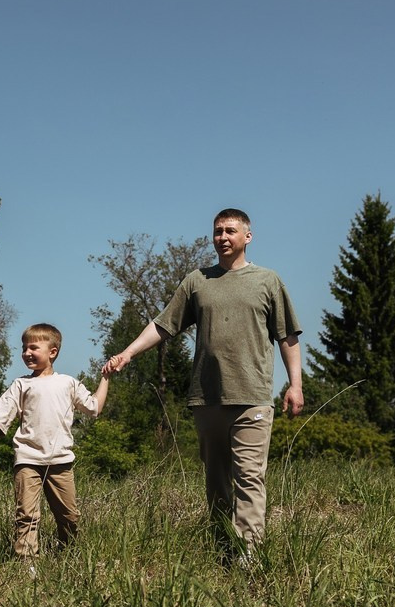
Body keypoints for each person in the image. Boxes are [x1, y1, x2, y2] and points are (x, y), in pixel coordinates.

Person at [104, 209, 303, 558]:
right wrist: (129, 353)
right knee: (217, 482)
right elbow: (164, 325)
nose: (222, 237)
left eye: (230, 231)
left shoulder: (267, 281)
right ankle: (222, 546)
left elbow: (287, 336)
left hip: (252, 396)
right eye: (217, 232)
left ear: (247, 236)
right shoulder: (197, 281)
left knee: (250, 478)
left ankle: (249, 556)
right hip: (207, 398)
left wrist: (295, 384)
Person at [0, 323, 109, 561]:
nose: (26, 353)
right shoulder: (21, 384)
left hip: (60, 461)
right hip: (27, 459)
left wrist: (105, 377)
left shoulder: (68, 383)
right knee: (27, 514)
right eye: (23, 348)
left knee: (69, 516)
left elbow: (94, 408)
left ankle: (67, 555)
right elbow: (2, 413)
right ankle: (27, 563)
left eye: (33, 347)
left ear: (52, 352)